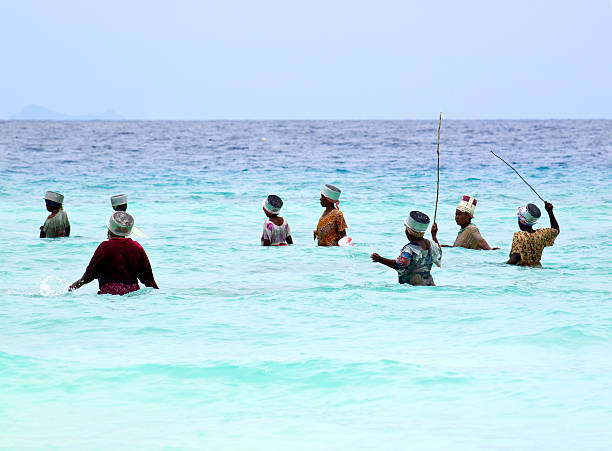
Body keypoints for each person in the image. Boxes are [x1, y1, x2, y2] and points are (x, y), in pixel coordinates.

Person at [69, 211, 159, 295]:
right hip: (132, 293)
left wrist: (77, 284)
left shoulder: (104, 247)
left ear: (109, 229)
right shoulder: (137, 247)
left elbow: (91, 273)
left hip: (109, 293)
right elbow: (148, 279)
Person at [371, 211, 441, 286]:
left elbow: (399, 265)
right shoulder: (431, 244)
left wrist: (380, 259)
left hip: (413, 287)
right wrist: (434, 236)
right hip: (430, 284)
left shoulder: (409, 249)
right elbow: (439, 253)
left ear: (408, 231)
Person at [506, 201, 559, 267]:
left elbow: (515, 258)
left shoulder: (519, 236)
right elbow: (556, 230)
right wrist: (550, 212)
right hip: (538, 268)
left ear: (521, 220)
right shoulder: (541, 234)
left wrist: (501, 266)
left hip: (525, 270)